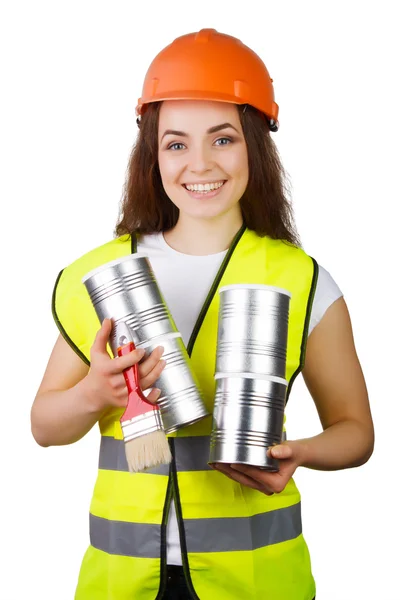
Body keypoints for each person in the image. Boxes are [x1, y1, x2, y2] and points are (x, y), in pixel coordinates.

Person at [31, 28, 374, 600]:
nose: (199, 164)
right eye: (175, 144)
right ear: (153, 154)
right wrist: (95, 394)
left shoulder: (302, 280)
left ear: (255, 147)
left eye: (222, 140)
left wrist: (301, 454)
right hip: (122, 582)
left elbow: (356, 433)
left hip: (256, 583)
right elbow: (44, 425)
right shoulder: (101, 276)